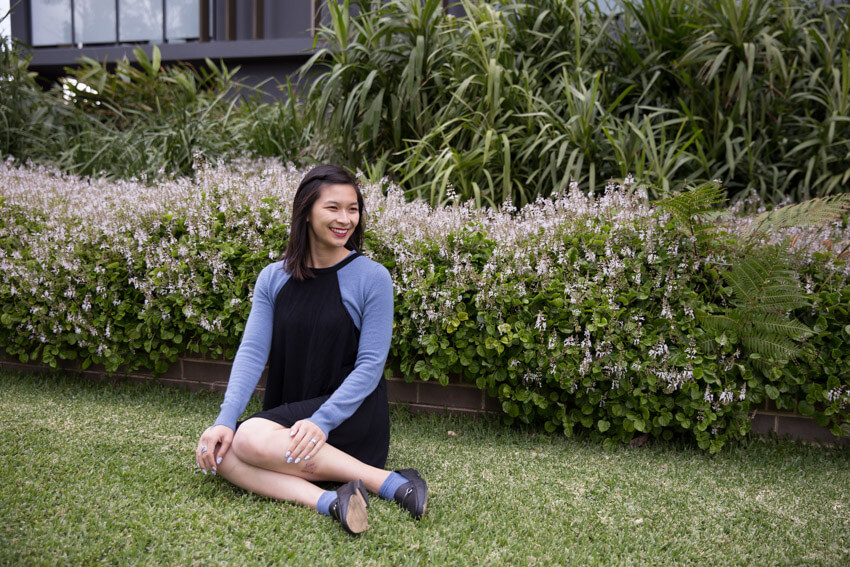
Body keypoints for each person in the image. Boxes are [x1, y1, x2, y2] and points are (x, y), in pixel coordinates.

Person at [194, 165, 426, 534]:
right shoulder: (274, 277)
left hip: (350, 417)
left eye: (353, 209)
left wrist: (322, 421)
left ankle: (388, 481)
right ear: (305, 211)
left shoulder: (372, 277)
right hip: (293, 420)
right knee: (220, 453)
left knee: (251, 436)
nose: (345, 219)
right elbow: (253, 351)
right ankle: (331, 501)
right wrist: (224, 419)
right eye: (333, 208)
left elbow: (369, 367)